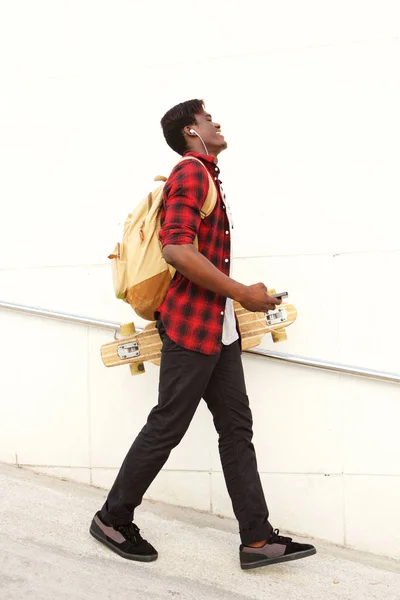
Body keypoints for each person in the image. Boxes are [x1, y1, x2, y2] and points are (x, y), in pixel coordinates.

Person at [90, 99, 316, 570]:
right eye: (207, 117)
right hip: (192, 327)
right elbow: (175, 248)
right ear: (191, 132)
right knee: (168, 425)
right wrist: (242, 293)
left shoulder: (208, 176)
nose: (216, 122)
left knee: (236, 429)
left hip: (219, 329)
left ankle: (256, 539)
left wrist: (235, 303)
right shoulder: (191, 172)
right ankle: (113, 518)